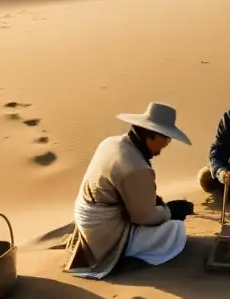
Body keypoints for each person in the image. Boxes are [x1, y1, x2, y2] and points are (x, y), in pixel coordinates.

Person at [64, 102, 195, 280]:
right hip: (104, 231)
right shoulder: (136, 168)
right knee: (175, 230)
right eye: (167, 139)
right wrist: (170, 212)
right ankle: (125, 257)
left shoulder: (111, 142)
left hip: (86, 220)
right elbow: (143, 217)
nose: (165, 146)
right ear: (154, 136)